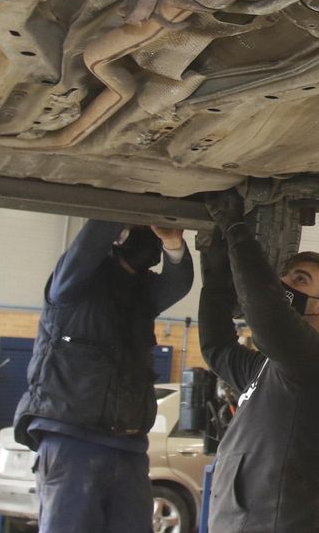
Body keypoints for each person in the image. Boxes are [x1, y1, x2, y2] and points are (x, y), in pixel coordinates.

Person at [15, 221, 193, 533]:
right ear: (119, 236)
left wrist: (173, 245)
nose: (149, 239)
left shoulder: (141, 293)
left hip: (128, 446)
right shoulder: (73, 283)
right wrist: (124, 203)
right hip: (72, 439)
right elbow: (90, 243)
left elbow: (179, 283)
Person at [199, 198, 319, 532]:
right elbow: (217, 347)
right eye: (284, 275)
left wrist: (237, 231)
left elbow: (267, 312)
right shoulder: (271, 369)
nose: (284, 283)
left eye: (300, 280)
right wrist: (216, 267)